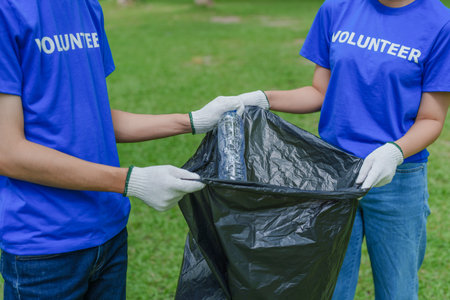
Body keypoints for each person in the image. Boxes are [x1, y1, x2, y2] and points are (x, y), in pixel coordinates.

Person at [0, 0, 247, 299]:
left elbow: (92, 116)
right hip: (46, 246)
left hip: (110, 232)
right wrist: (130, 181)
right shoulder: (8, 10)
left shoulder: (87, 6)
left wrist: (191, 121)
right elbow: (8, 153)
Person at [220, 0, 450, 299]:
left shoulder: (440, 23)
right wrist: (261, 98)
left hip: (398, 178)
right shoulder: (337, 8)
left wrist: (394, 152)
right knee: (330, 286)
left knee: (398, 289)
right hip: (333, 172)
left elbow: (431, 119)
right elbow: (319, 91)